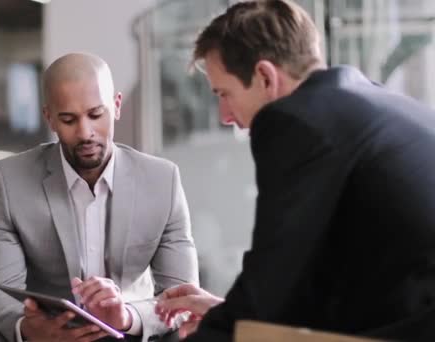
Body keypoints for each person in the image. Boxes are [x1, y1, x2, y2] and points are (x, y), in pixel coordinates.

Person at [155, 0, 435, 341]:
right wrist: (228, 315)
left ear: (264, 76)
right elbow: (305, 286)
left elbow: (270, 279)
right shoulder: (376, 103)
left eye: (224, 93)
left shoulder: (297, 120)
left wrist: (226, 327)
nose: (224, 116)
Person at [0, 52, 199, 342]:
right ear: (49, 117)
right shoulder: (10, 180)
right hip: (48, 334)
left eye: (95, 114)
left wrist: (126, 316)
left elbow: (183, 297)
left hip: (129, 331)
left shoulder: (162, 181)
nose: (85, 132)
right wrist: (32, 329)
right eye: (68, 119)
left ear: (116, 106)